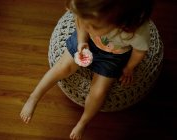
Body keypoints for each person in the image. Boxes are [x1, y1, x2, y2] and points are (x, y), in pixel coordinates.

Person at [20, 0, 154, 139]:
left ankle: (83, 122)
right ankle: (34, 97)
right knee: (63, 67)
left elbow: (139, 51)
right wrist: (82, 40)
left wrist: (129, 68)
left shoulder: (135, 30)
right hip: (87, 40)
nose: (85, 25)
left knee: (99, 92)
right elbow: (81, 22)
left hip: (114, 56)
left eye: (93, 25)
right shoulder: (89, 14)